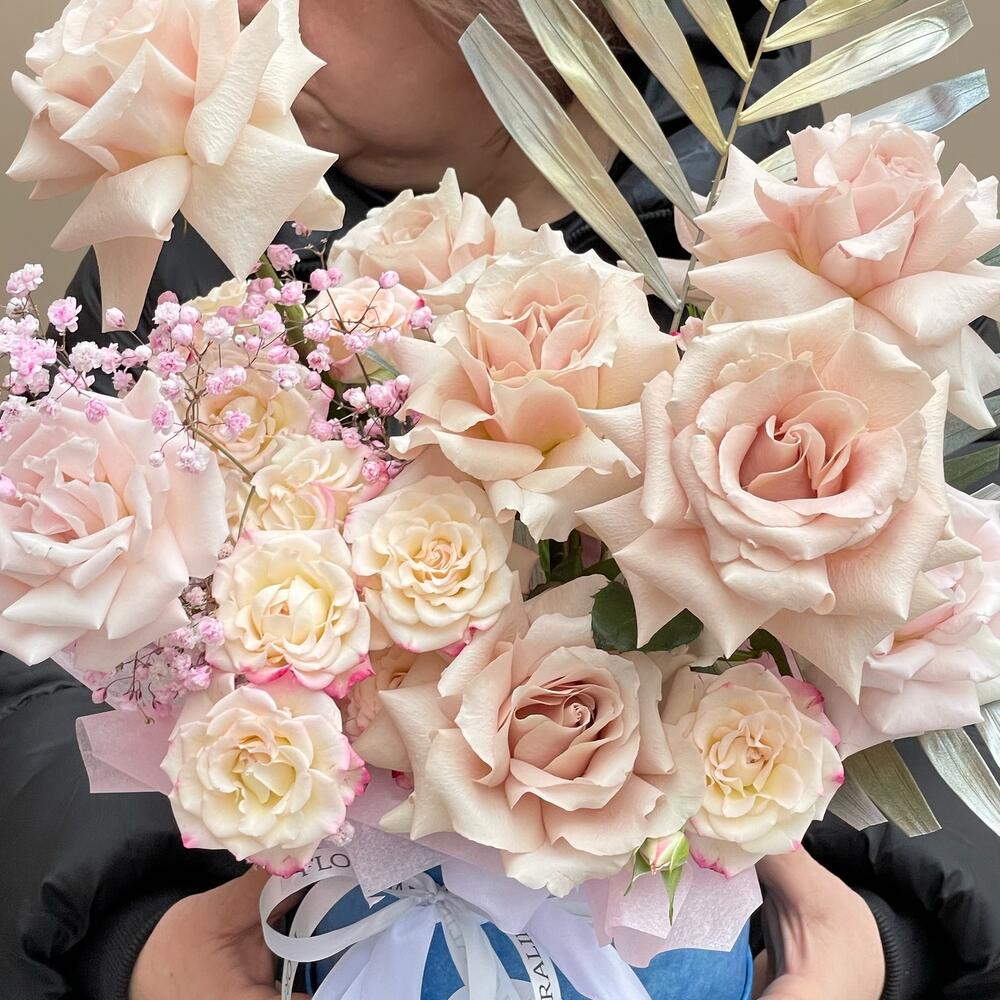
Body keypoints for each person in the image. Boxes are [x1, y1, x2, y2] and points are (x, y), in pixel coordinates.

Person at [1, 1, 998, 998]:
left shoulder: (828, 276)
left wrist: (885, 942)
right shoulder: (194, 257)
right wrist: (132, 940)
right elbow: (35, 661)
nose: (239, 11)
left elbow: (957, 652)